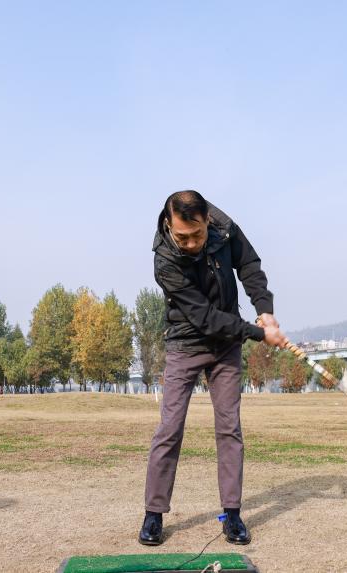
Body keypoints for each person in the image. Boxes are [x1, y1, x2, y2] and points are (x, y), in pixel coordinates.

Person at [140, 191, 286, 546]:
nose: (191, 244)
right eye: (182, 238)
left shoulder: (225, 227)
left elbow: (248, 264)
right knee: (169, 428)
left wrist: (264, 310)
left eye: (197, 235)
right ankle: (153, 513)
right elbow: (204, 318)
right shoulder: (164, 261)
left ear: (208, 220)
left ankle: (232, 514)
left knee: (229, 428)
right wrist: (257, 333)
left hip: (226, 347)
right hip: (186, 342)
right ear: (169, 225)